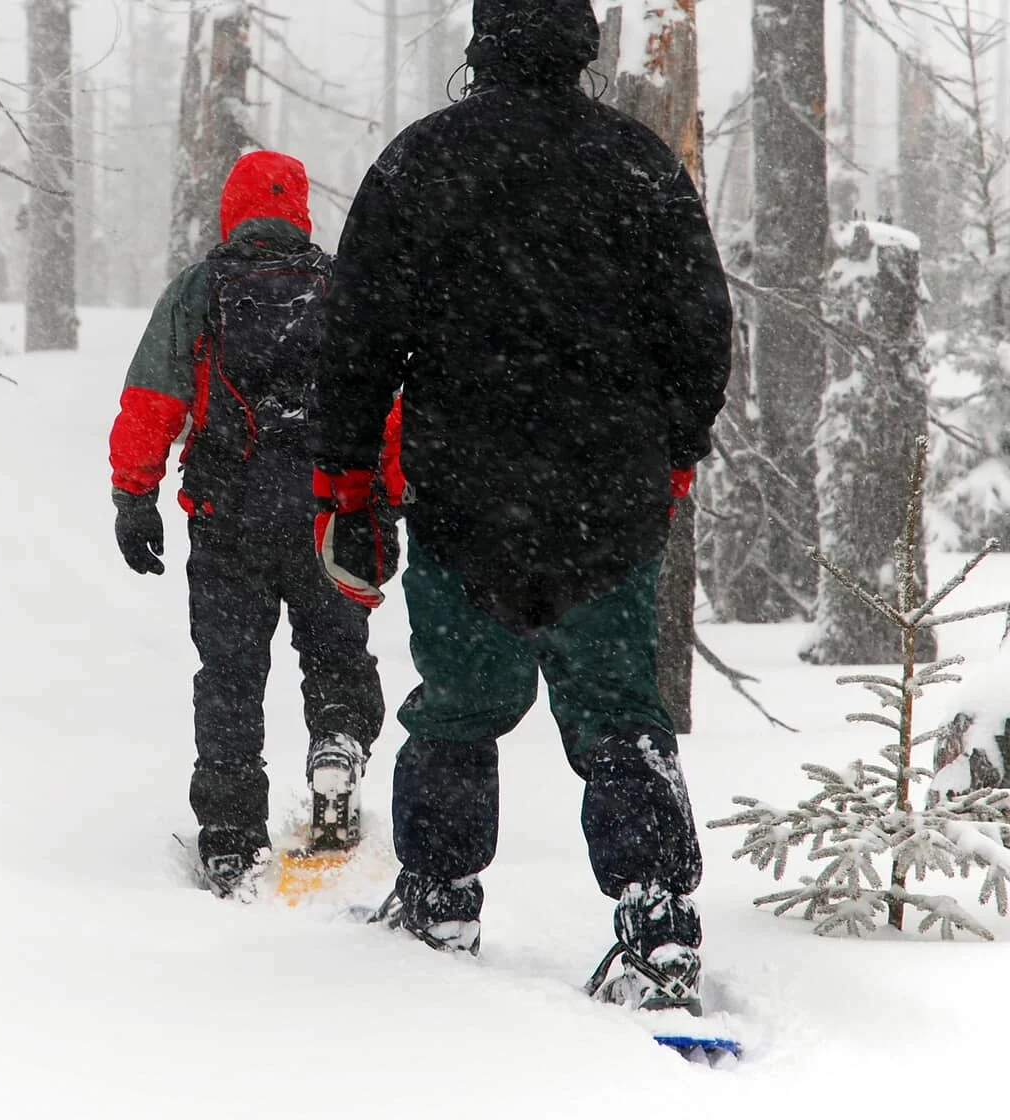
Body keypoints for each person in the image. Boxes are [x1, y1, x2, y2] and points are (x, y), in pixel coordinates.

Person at [311, 0, 732, 1012]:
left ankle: (438, 898)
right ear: (582, 46)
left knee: (459, 705)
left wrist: (347, 481)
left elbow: (357, 338)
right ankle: (657, 926)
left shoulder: (423, 162)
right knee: (620, 715)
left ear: (482, 42)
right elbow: (701, 329)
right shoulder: (637, 164)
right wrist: (672, 452)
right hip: (608, 501)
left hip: (466, 497)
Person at [110, 151, 399, 898]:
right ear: (300, 208)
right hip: (328, 513)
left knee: (230, 678)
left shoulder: (198, 290)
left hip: (227, 517)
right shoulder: (341, 286)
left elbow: (151, 399)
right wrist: (391, 498)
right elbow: (386, 405)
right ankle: (337, 746)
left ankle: (233, 838)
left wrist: (133, 495)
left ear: (231, 210)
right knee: (336, 655)